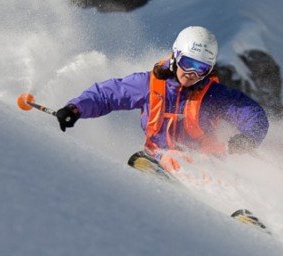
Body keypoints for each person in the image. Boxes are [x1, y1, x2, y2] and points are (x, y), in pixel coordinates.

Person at [55, 26, 269, 173]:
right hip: (157, 160)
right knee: (169, 160)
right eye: (187, 63)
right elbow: (107, 94)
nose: (192, 74)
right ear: (175, 56)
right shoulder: (148, 85)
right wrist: (75, 109)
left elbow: (252, 114)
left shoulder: (214, 95)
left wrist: (249, 138)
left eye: (201, 69)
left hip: (205, 164)